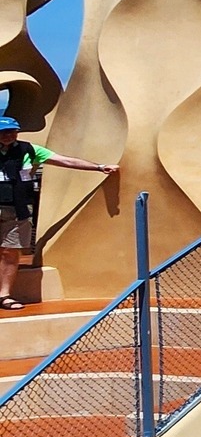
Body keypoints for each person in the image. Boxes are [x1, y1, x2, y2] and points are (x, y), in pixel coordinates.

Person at [0, 117, 118, 310]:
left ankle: (4, 296)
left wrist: (98, 167)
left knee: (10, 252)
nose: (8, 135)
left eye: (12, 131)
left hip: (18, 210)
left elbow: (64, 160)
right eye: (3, 132)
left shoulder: (29, 150)